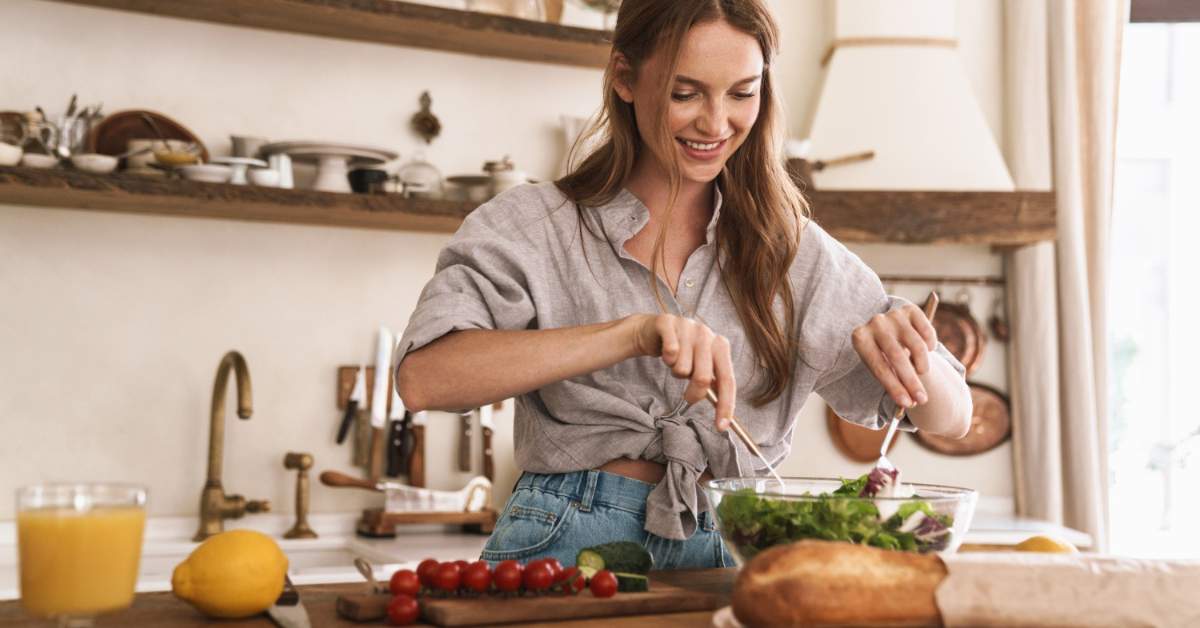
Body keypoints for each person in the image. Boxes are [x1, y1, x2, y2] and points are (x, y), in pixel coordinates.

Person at [394, 0, 972, 569]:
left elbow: (952, 419)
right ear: (624, 77)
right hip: (565, 543)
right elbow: (425, 379)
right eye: (685, 92)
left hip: (738, 543)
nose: (716, 123)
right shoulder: (533, 225)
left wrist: (915, 356)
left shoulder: (795, 251)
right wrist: (631, 334)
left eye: (742, 93)